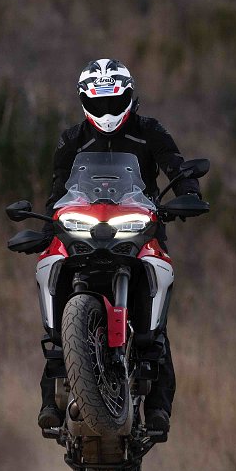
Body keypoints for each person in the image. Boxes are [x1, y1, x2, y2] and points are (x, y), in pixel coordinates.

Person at [36, 58, 201, 433]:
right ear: (84, 101)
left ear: (129, 96)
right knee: (56, 282)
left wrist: (188, 191)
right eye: (99, 104)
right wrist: (49, 227)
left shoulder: (150, 131)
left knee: (155, 328)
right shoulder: (71, 139)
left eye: (114, 102)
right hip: (84, 228)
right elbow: (56, 188)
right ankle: (50, 399)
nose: (107, 111)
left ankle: (158, 408)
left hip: (139, 228)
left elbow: (175, 166)